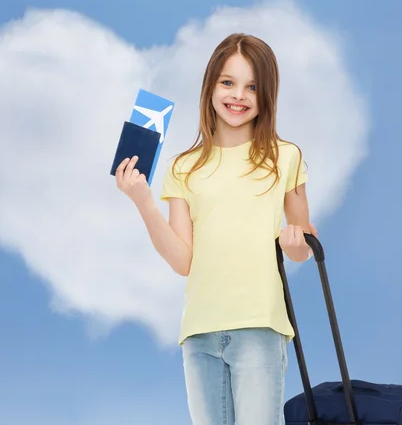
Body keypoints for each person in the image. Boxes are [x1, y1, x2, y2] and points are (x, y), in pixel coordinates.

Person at [115, 33, 317, 425]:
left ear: (267, 95)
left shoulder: (285, 156)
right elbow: (183, 261)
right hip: (200, 332)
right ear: (210, 86)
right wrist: (142, 200)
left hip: (260, 326)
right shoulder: (182, 167)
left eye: (252, 86)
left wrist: (297, 241)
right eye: (228, 82)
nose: (238, 95)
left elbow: (302, 242)